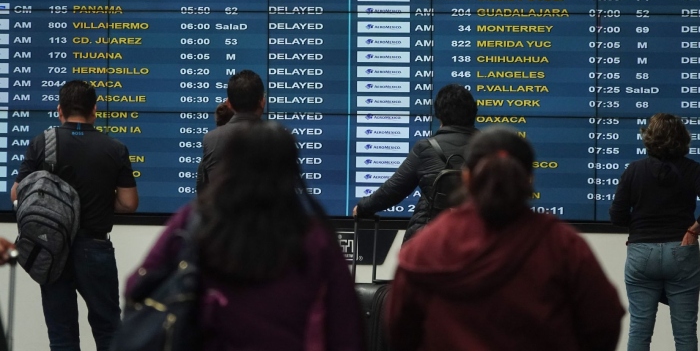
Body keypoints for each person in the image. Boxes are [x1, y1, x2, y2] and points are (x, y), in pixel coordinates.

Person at [127, 120, 366, 351]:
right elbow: (345, 329)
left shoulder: (195, 221)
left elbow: (137, 285)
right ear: (290, 170)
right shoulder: (314, 238)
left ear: (230, 164)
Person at [386, 127, 624, 351]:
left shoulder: (425, 247)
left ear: (467, 178)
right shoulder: (562, 245)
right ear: (529, 179)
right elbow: (605, 320)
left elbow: (398, 328)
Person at [11, 80, 138, 351]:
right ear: (95, 110)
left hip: (50, 246)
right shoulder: (114, 148)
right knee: (108, 330)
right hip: (96, 247)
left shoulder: (40, 143)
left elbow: (17, 194)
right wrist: (99, 201)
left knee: (61, 335)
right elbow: (128, 203)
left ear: (60, 110)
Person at [610, 113, 700, 351]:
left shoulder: (634, 170)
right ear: (682, 138)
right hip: (682, 252)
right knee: (685, 332)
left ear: (648, 138)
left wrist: (639, 228)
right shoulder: (693, 170)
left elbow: (616, 216)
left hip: (641, 254)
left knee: (639, 330)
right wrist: (694, 230)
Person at [353, 83, 478, 242]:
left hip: (431, 241)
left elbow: (394, 189)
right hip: (478, 240)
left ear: (438, 115)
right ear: (474, 112)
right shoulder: (491, 148)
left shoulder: (426, 148)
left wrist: (363, 207)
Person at [196, 69, 265, 191]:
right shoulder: (279, 138)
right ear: (262, 102)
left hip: (221, 210)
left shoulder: (210, 139)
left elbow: (202, 193)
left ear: (228, 103)